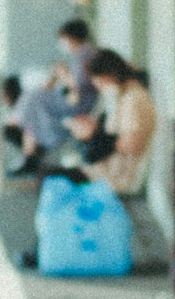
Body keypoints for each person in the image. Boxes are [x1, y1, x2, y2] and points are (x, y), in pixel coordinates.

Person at [10, 17, 99, 174]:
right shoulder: (81, 55)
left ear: (71, 37)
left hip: (78, 103)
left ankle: (30, 146)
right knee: (34, 96)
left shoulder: (86, 55)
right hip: (72, 99)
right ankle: (29, 147)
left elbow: (77, 87)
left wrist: (62, 75)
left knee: (34, 99)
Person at [73, 47, 156, 195]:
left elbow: (132, 144)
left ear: (109, 75)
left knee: (50, 176)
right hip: (106, 171)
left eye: (97, 79)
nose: (96, 85)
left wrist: (93, 135)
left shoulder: (134, 99)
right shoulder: (123, 96)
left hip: (116, 178)